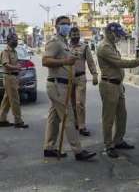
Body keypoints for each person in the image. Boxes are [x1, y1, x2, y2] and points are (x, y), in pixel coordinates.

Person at [42, 15, 96, 161]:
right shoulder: (54, 42)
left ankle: (49, 148)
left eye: (68, 23)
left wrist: (70, 59)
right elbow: (45, 60)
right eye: (63, 24)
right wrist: (66, 61)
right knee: (69, 118)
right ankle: (78, 151)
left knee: (54, 119)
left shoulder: (64, 43)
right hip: (57, 85)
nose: (66, 26)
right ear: (56, 26)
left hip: (63, 84)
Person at [97, 22, 139, 158]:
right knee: (109, 118)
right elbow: (120, 63)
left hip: (117, 85)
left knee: (122, 115)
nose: (119, 38)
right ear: (110, 33)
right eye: (117, 35)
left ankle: (118, 140)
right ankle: (109, 145)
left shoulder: (112, 46)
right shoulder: (104, 47)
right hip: (109, 85)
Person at [69, 27, 98, 136]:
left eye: (77, 34)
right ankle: (76, 122)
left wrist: (94, 74)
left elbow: (90, 62)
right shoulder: (65, 47)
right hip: (68, 79)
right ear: (70, 35)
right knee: (72, 103)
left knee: (79, 103)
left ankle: (82, 126)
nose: (76, 36)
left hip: (81, 78)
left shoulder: (85, 47)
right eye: (73, 34)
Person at [0, 33, 29, 128]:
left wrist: (18, 73)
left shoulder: (14, 51)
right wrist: (16, 67)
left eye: (17, 40)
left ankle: (2, 119)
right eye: (14, 40)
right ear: (8, 40)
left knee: (7, 100)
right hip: (9, 77)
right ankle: (18, 121)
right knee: (15, 100)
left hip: (13, 77)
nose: (16, 42)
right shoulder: (6, 51)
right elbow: (5, 64)